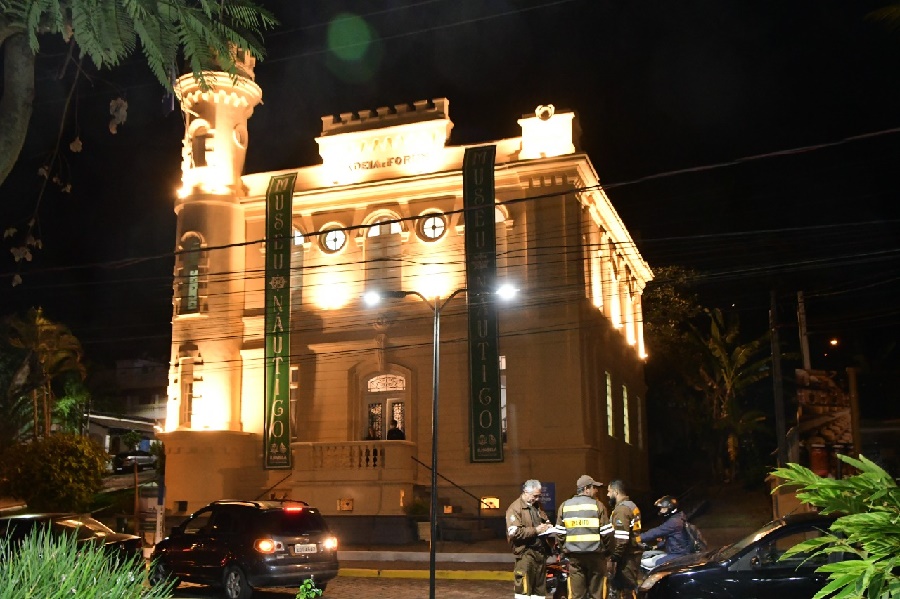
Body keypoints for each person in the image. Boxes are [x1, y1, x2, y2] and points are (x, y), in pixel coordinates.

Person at [556, 474, 611, 599]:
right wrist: (607, 553)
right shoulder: (598, 505)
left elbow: (559, 534)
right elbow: (607, 534)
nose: (596, 491)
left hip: (574, 558)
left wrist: (565, 550)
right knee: (597, 594)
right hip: (596, 557)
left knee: (577, 595)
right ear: (586, 489)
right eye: (594, 488)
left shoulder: (565, 506)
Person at [506, 479, 552, 599]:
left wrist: (548, 526)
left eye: (539, 496)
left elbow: (545, 519)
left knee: (539, 592)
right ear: (526, 492)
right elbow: (514, 533)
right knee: (524, 591)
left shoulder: (537, 506)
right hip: (526, 554)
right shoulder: (515, 508)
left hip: (540, 554)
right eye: (535, 496)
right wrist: (536, 530)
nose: (537, 499)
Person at [605, 479, 643, 599]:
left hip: (626, 557)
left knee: (627, 590)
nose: (607, 495)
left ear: (615, 492)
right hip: (631, 553)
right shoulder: (630, 505)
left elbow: (621, 539)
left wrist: (614, 558)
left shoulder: (622, 510)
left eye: (609, 491)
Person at [640, 495, 692, 570]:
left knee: (655, 563)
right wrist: (657, 546)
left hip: (678, 554)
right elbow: (671, 538)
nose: (661, 511)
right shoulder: (678, 518)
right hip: (677, 551)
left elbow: (655, 532)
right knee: (649, 555)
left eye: (663, 508)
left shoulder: (674, 522)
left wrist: (637, 538)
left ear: (670, 509)